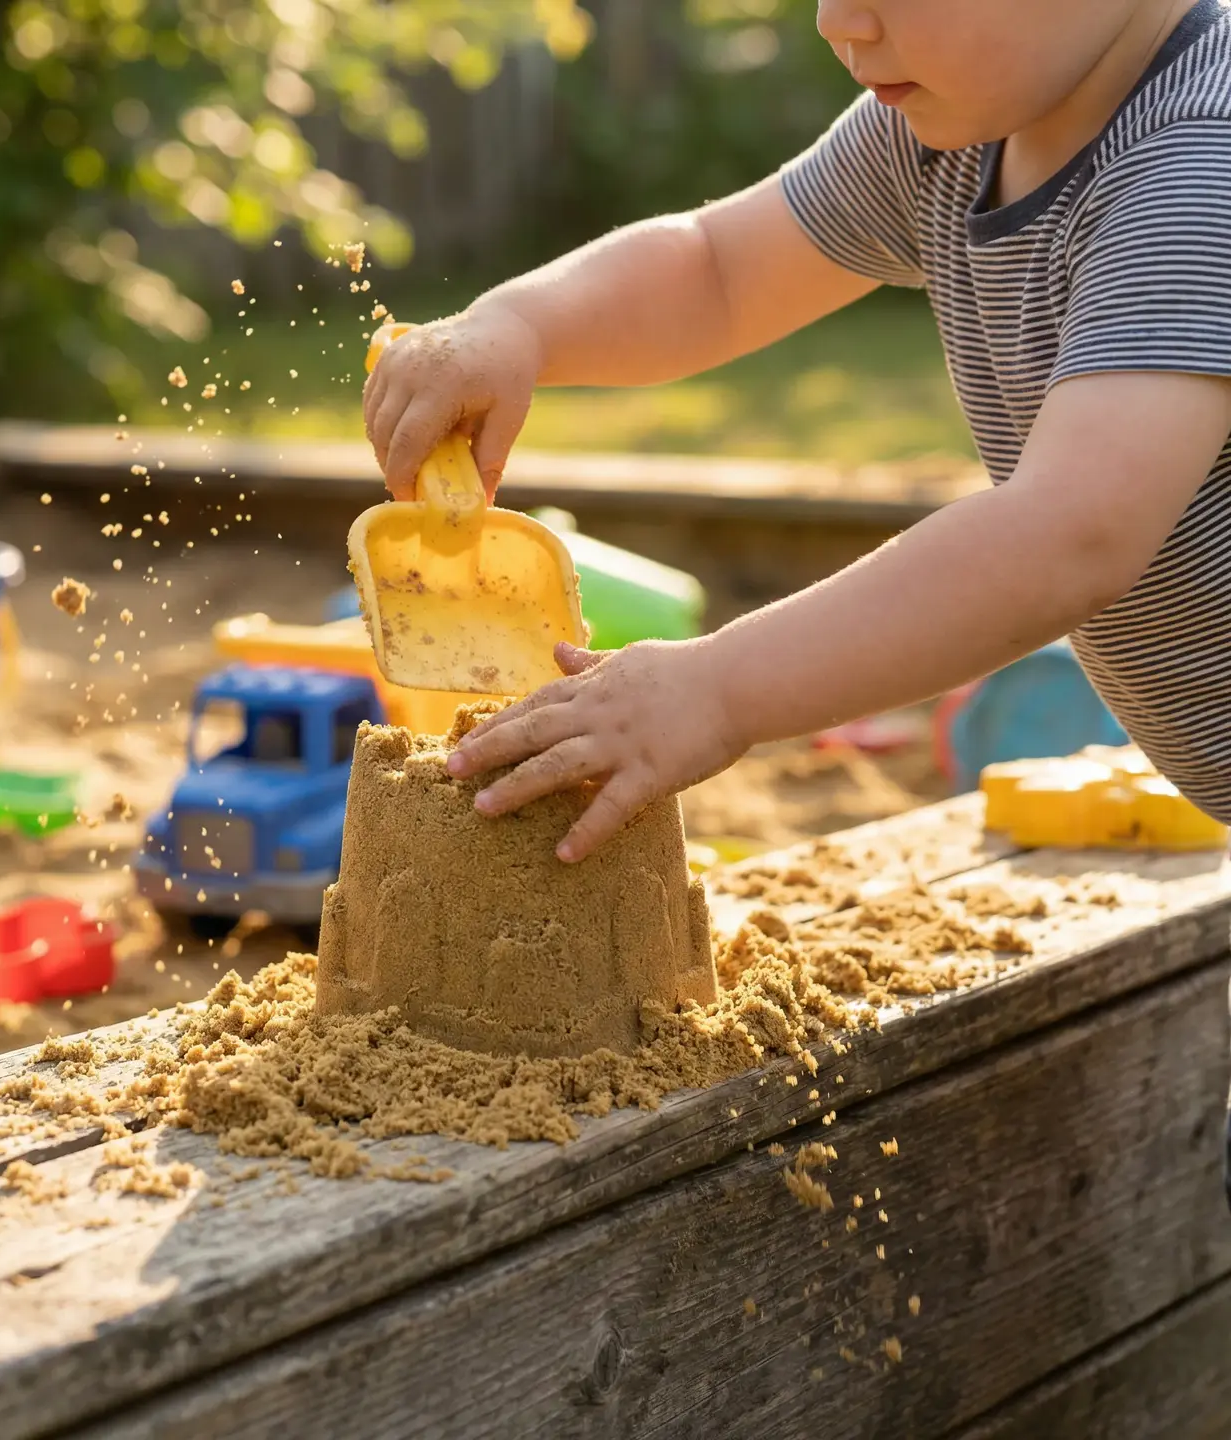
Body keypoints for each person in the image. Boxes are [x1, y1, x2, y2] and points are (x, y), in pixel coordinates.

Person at [363, 0, 1231, 865]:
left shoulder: (1198, 161)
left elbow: (1069, 537)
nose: (837, 21)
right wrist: (521, 323)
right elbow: (719, 269)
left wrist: (720, 689)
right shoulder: (955, 122)